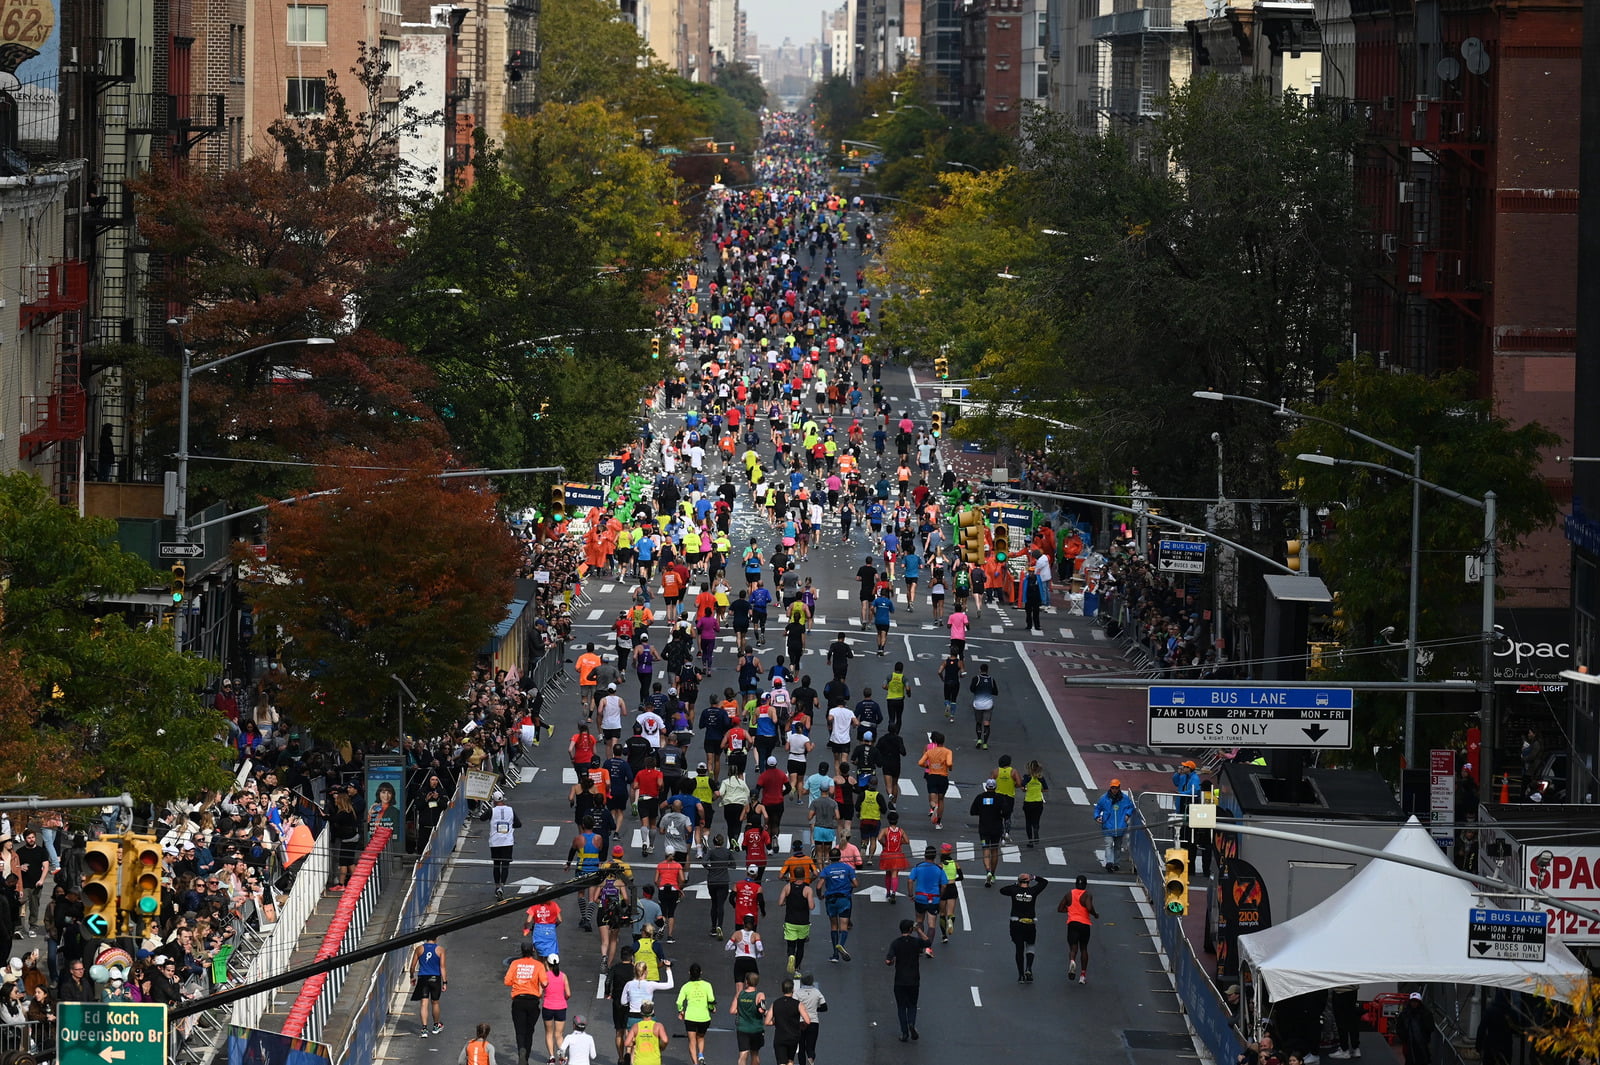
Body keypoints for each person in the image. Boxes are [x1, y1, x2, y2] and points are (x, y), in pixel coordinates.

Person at [884, 919, 930, 1043]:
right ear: (911, 929)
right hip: (914, 980)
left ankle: (904, 1033)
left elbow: (888, 960)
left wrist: (892, 961)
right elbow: (928, 942)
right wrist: (919, 930)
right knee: (912, 1005)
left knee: (901, 1007)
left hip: (900, 980)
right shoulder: (916, 942)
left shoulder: (896, 943)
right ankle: (911, 1023)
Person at [998, 872, 1049, 982]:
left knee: (1019, 949)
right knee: (1030, 946)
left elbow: (1002, 890)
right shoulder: (1033, 891)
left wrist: (1016, 884)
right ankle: (1029, 968)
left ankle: (1021, 975)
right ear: (1029, 881)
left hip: (1016, 924)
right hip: (1030, 924)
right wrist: (1034, 877)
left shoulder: (1014, 890)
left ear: (1019, 881)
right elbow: (1044, 882)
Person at [504, 944, 545, 1065]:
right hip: (533, 1001)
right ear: (533, 951)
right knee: (529, 1030)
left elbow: (507, 981)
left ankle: (521, 1050)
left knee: (520, 1031)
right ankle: (526, 1057)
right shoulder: (538, 965)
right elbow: (545, 982)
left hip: (518, 1000)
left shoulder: (515, 964)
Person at [817, 848, 856, 962]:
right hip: (844, 899)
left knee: (834, 925)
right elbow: (856, 883)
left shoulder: (826, 870)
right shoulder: (848, 868)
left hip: (831, 900)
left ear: (829, 857)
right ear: (840, 857)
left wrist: (820, 896)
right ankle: (841, 945)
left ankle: (835, 955)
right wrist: (847, 886)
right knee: (844, 926)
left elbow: (819, 886)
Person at [1058, 874, 1098, 984]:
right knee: (1084, 948)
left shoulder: (1069, 894)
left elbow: (1060, 908)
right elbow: (1089, 908)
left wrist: (1071, 910)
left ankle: (1072, 961)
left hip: (1072, 923)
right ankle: (1083, 975)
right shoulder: (1087, 895)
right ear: (1085, 884)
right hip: (1084, 924)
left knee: (1073, 948)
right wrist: (1095, 914)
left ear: (1076, 883)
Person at [676, 962, 717, 1065]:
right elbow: (711, 999)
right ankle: (701, 1055)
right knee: (701, 1037)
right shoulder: (707, 985)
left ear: (689, 973)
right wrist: (711, 1008)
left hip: (690, 1017)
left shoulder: (686, 986)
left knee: (692, 1041)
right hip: (704, 1017)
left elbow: (679, 1002)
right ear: (701, 973)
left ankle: (695, 1063)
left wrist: (681, 1011)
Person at [483, 796, 523, 901]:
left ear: (494, 801)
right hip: (507, 842)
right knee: (505, 864)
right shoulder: (510, 810)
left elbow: (482, 818)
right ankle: (502, 886)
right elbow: (518, 824)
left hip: (495, 842)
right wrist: (510, 825)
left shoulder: (491, 810)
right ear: (503, 800)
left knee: (496, 864)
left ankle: (497, 886)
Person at [765, 978, 812, 1065]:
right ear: (793, 990)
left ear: (782, 990)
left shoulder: (776, 1003)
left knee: (781, 1062)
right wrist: (802, 1025)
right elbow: (808, 1021)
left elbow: (767, 1022)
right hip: (793, 1037)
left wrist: (777, 1022)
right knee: (790, 1060)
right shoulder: (798, 1004)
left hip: (780, 1037)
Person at [1093, 779, 1136, 873]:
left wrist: (1127, 815)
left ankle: (1116, 863)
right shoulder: (1104, 798)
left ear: (1119, 787)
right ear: (1110, 787)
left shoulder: (1125, 799)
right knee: (1108, 844)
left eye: (1116, 788)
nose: (1114, 789)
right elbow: (1097, 808)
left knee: (1117, 846)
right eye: (1113, 788)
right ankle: (1109, 862)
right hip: (1108, 826)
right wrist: (1097, 817)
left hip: (1120, 827)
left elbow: (1131, 807)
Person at [907, 847, 948, 941]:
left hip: (920, 897)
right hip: (934, 899)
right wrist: (940, 896)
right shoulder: (939, 869)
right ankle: (928, 947)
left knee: (919, 920)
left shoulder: (918, 867)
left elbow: (910, 881)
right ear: (935, 857)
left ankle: (920, 942)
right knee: (932, 924)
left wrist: (910, 894)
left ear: (924, 855)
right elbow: (944, 886)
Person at [409, 937, 448, 1037]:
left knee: (424, 1003)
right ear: (436, 938)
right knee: (435, 1002)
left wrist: (412, 976)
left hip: (423, 978)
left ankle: (424, 1029)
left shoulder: (419, 949)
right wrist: (444, 982)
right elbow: (442, 967)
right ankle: (436, 1026)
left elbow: (413, 966)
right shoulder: (441, 950)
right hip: (435, 978)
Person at [777, 873, 815, 974]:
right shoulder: (807, 889)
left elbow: (780, 902)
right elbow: (811, 906)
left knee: (791, 944)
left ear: (793, 875)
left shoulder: (787, 887)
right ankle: (797, 967)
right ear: (804, 876)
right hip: (803, 922)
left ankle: (791, 956)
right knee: (801, 945)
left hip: (790, 921)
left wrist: (787, 902)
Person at [971, 780, 1005, 886]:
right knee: (994, 850)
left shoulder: (980, 797)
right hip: (996, 828)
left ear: (986, 787)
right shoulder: (1000, 798)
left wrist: (983, 812)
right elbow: (1006, 812)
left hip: (984, 828)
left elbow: (973, 811)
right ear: (995, 787)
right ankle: (993, 874)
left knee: (985, 850)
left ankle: (988, 871)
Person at [917, 732, 953, 830]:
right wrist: (949, 768)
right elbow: (949, 763)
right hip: (943, 776)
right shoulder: (948, 751)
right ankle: (938, 822)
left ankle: (933, 807)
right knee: (941, 799)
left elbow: (920, 762)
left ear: (935, 741)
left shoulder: (930, 752)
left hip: (932, 775)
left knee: (933, 798)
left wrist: (927, 766)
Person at [731, 972, 767, 1065]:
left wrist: (742, 1011)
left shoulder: (739, 994)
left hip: (742, 1028)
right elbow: (761, 1010)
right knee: (755, 1054)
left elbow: (732, 1010)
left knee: (743, 1054)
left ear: (746, 982)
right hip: (756, 1029)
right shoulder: (760, 995)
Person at [793, 971, 826, 1065]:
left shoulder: (798, 993)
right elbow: (824, 1007)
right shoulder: (817, 992)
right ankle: (811, 1057)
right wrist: (815, 1008)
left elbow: (794, 1006)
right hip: (813, 1022)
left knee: (801, 1047)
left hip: (801, 1022)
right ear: (812, 981)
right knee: (811, 1046)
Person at [878, 810, 909, 900]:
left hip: (887, 854)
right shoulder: (901, 831)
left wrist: (884, 843)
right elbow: (907, 841)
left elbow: (879, 838)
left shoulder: (885, 830)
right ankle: (894, 892)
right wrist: (900, 842)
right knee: (895, 874)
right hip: (897, 855)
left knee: (888, 873)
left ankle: (887, 892)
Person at [936, 842, 963, 943]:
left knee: (942, 913)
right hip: (952, 887)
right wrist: (953, 879)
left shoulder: (940, 866)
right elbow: (961, 877)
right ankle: (950, 921)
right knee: (950, 913)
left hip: (942, 889)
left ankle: (944, 936)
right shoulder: (955, 863)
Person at [1398, 993, 1434, 1065]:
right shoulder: (1404, 1014)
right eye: (1412, 1001)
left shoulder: (1426, 1014)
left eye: (1416, 1001)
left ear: (1419, 1002)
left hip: (1422, 1043)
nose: (1414, 1003)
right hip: (1409, 1043)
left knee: (1422, 1059)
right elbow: (1399, 1027)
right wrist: (1404, 1038)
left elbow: (1430, 1027)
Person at [969, 664, 998, 750]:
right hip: (988, 704)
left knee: (978, 722)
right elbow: (996, 692)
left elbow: (971, 689)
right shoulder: (991, 679)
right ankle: (985, 743)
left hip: (978, 704)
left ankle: (979, 740)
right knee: (986, 723)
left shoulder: (976, 679)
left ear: (980, 670)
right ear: (987, 670)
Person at [1021, 760, 1049, 848]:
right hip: (1038, 802)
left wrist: (1026, 789)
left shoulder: (1027, 777)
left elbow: (1022, 787)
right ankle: (1036, 829)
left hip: (1028, 802)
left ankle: (1030, 841)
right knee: (1036, 820)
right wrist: (1039, 790)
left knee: (1028, 822)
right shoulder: (1041, 778)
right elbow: (1046, 789)